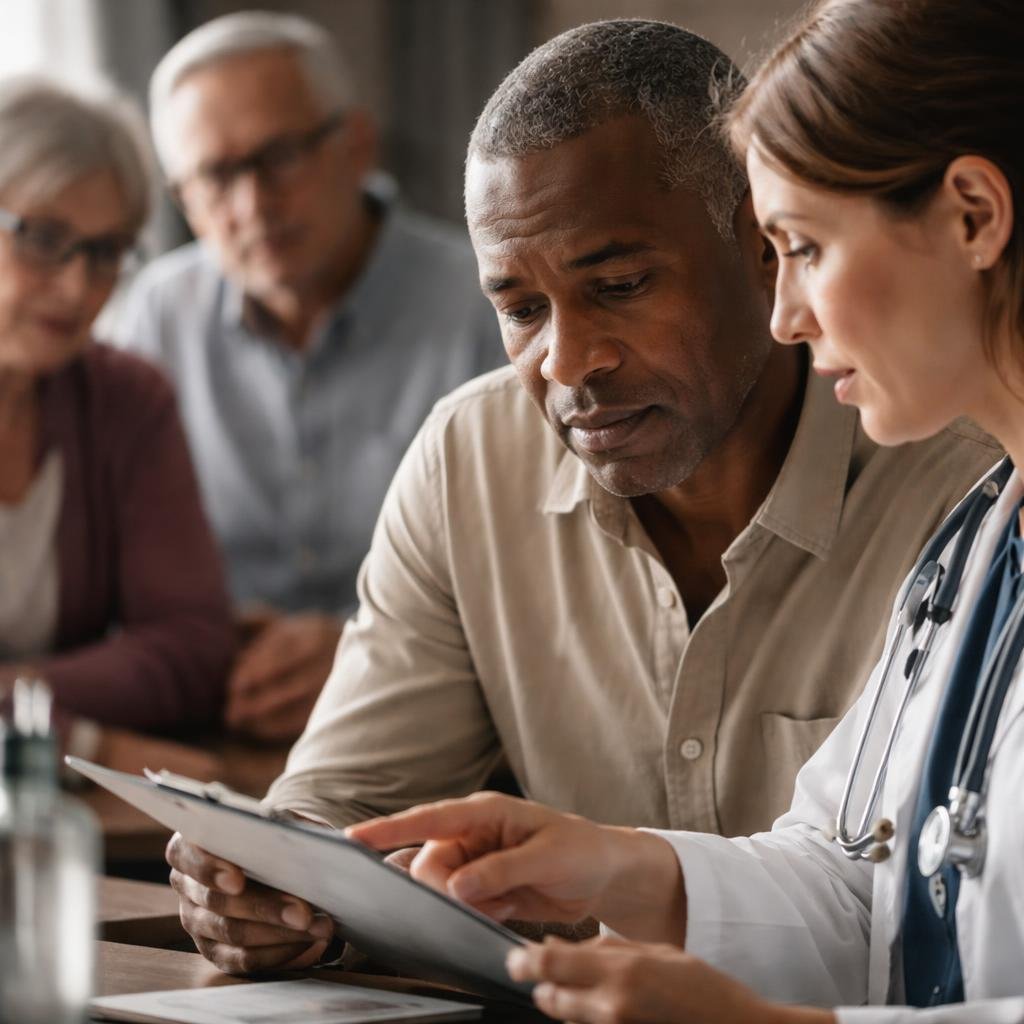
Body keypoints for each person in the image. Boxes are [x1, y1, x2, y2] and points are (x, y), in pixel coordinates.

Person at [165, 20, 1001, 975]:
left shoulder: (962, 472)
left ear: (762, 242)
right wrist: (271, 880)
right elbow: (344, 803)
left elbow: (900, 921)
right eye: (520, 310)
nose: (567, 362)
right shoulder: (470, 461)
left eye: (620, 285)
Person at [115, 11, 504, 741]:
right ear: (180, 198)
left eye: (279, 157)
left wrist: (369, 648)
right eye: (215, 176)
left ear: (356, 143)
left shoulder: (489, 304)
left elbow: (534, 576)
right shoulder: (155, 317)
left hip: (432, 723)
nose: (253, 205)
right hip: (212, 724)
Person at [0, 76, 235, 770]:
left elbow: (192, 650)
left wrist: (17, 701)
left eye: (105, 252)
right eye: (44, 238)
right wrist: (85, 735)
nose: (77, 286)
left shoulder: (126, 398)